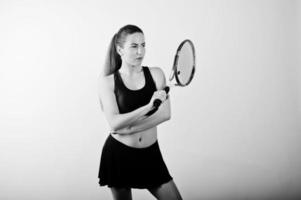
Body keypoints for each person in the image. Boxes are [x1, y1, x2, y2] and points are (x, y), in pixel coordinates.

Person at [97, 24, 183, 200]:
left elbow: (165, 114)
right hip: (118, 155)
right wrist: (148, 107)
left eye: (143, 45)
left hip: (150, 155)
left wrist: (128, 128)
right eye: (134, 46)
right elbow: (113, 123)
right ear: (120, 49)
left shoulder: (156, 74)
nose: (140, 52)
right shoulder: (107, 82)